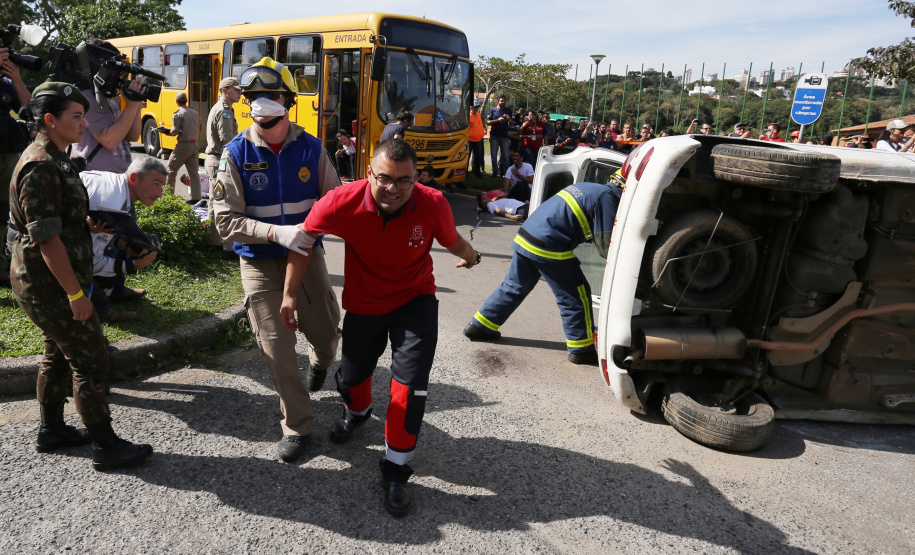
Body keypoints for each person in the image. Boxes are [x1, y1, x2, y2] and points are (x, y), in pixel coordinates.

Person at [279, 138, 480, 517]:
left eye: (404, 181)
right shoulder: (342, 201)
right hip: (365, 305)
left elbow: (453, 241)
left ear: (416, 177)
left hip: (415, 303)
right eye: (384, 178)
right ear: (368, 172)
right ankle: (357, 414)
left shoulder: (432, 202)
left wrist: (473, 257)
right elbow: (303, 242)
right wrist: (289, 296)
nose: (393, 189)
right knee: (352, 380)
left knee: (409, 389)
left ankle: (396, 470)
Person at [10, 82, 153, 470]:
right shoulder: (40, 164)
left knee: (57, 353)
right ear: (49, 120)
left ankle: (51, 430)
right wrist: (76, 296)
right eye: (76, 116)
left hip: (55, 277)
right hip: (50, 282)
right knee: (90, 360)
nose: (83, 122)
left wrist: (87, 225)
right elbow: (45, 239)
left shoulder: (58, 157)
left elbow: (60, 217)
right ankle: (106, 445)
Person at [213, 57, 342, 463]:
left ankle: (322, 363)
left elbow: (334, 202)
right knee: (276, 347)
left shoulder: (311, 148)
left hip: (307, 257)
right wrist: (274, 232)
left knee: (325, 332)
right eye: (252, 97)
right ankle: (298, 425)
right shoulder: (235, 153)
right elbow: (223, 220)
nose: (260, 103)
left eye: (270, 95)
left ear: (287, 100)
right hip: (259, 263)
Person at [464, 182, 622, 365]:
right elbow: (606, 244)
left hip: (528, 234)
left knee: (514, 286)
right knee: (575, 294)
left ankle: (480, 327)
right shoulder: (607, 198)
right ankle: (582, 349)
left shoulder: (591, 188)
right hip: (549, 242)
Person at [82, 156, 166, 323]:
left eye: (162, 186)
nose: (160, 194)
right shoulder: (111, 203)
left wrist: (123, 244)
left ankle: (104, 296)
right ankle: (101, 306)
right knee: (95, 302)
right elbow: (90, 263)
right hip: (42, 252)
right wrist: (133, 266)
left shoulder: (115, 185)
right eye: (156, 184)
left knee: (117, 254)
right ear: (134, 178)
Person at [70, 38, 145, 174]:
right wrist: (131, 107)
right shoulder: (86, 98)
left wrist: (136, 105)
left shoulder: (105, 98)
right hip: (97, 177)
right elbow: (110, 141)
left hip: (113, 177)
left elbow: (132, 136)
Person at [0, 45, 33, 286]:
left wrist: (16, 78)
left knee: (4, 212)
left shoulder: (5, 82)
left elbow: (30, 109)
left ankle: (2, 267)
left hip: (8, 153)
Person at [205, 77, 241, 256]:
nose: (240, 93)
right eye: (237, 90)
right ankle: (226, 248)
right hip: (220, 160)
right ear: (225, 90)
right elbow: (227, 140)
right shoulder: (225, 110)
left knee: (216, 201)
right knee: (225, 202)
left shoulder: (223, 108)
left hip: (217, 159)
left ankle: (214, 243)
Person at [163, 92, 203, 202]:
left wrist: (166, 132)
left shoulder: (178, 114)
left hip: (183, 146)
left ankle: (168, 197)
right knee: (194, 173)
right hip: (194, 145)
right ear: (186, 101)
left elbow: (175, 132)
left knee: (171, 170)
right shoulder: (195, 113)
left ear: (176, 102)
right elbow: (200, 130)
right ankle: (196, 198)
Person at [487, 94, 512, 177]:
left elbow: (512, 123)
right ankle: (495, 172)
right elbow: (488, 122)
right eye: (502, 100)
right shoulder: (493, 110)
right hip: (494, 136)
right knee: (494, 155)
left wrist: (509, 119)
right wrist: (498, 120)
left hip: (504, 136)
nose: (503, 102)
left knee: (506, 156)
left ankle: (506, 173)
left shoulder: (508, 111)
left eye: (504, 100)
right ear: (498, 101)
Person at [467, 101, 486, 177]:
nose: (476, 108)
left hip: (478, 140)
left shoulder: (478, 115)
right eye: (475, 107)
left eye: (477, 107)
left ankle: (477, 172)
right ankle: (465, 173)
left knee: (478, 156)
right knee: (467, 157)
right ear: (471, 108)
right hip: (470, 140)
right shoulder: (468, 116)